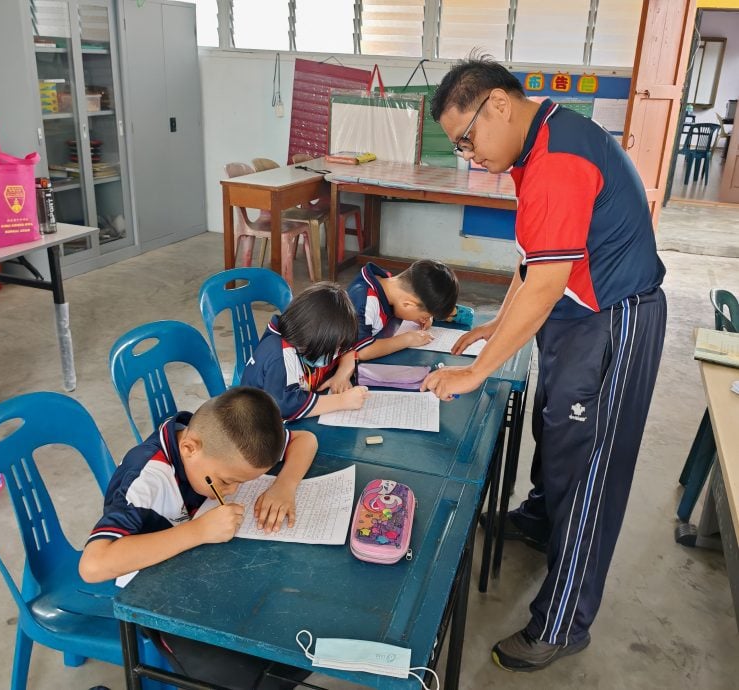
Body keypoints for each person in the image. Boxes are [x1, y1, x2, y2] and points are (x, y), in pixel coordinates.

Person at [425, 55, 667, 672]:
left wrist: (477, 372)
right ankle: (539, 518)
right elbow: (533, 266)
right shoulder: (537, 146)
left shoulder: (557, 161)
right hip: (576, 311)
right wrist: (493, 330)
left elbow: (544, 282)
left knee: (591, 467)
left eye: (467, 139)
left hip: (613, 319)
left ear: (498, 105)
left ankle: (562, 623)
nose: (469, 156)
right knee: (555, 428)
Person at [79, 387, 317, 688]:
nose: (231, 490)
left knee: (293, 636)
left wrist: (284, 485)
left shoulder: (224, 443)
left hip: (204, 569)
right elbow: (94, 565)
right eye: (227, 481)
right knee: (248, 677)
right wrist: (199, 530)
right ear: (189, 448)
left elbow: (305, 439)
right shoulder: (146, 480)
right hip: (154, 595)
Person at [241, 281, 369, 420]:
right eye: (335, 348)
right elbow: (284, 406)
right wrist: (342, 401)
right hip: (254, 428)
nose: (336, 354)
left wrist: (341, 375)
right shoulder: (279, 355)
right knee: (309, 440)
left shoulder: (304, 343)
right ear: (314, 337)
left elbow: (349, 352)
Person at [346, 259, 460, 361]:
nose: (424, 319)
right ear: (408, 304)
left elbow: (397, 307)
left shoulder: (389, 285)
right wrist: (406, 340)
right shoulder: (364, 302)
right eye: (425, 316)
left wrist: (417, 316)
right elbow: (360, 351)